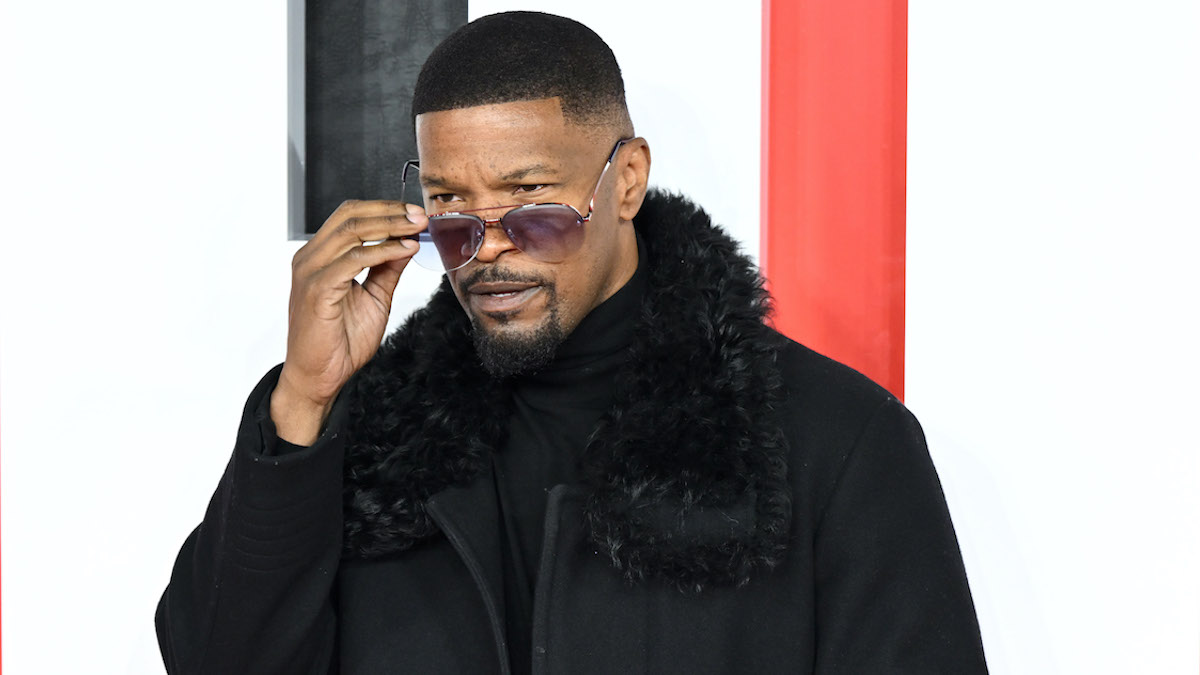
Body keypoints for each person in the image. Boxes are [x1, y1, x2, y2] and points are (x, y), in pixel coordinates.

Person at [155, 11, 988, 674]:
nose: (489, 251)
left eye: (532, 205)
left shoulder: (832, 442)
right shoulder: (368, 439)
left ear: (625, 181)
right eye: (450, 210)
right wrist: (304, 401)